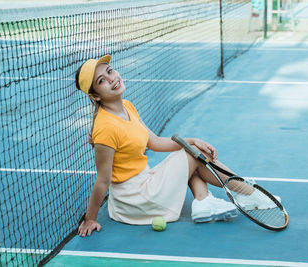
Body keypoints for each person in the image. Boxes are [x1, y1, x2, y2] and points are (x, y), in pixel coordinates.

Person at [75, 55, 240, 237]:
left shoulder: (127, 106)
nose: (112, 78)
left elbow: (155, 142)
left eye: (110, 71)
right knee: (193, 155)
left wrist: (192, 141)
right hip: (135, 197)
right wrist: (90, 218)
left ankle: (203, 201)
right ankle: (249, 193)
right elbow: (103, 180)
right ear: (95, 96)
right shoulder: (105, 128)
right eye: (102, 81)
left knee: (192, 153)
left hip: (144, 181)